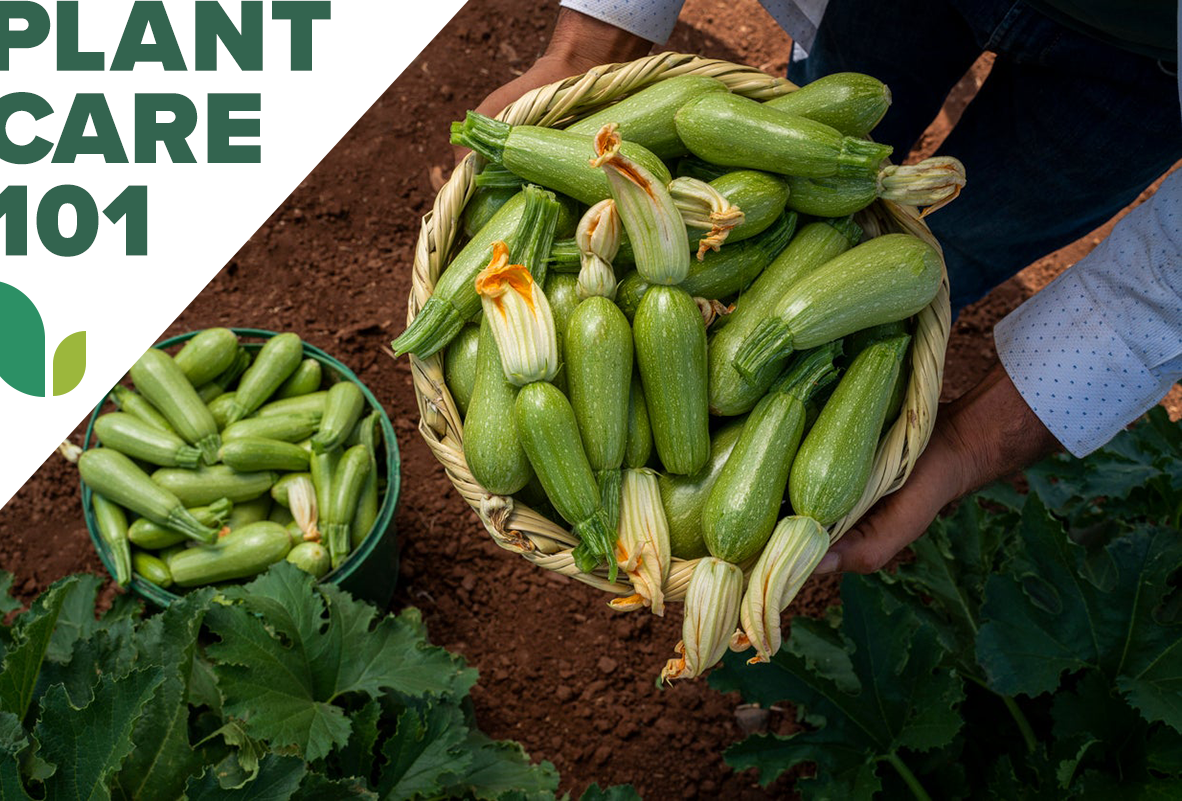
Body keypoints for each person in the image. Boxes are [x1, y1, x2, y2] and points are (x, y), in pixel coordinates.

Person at [470, 1, 1182, 575]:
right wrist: (595, 38)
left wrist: (968, 446)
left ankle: (882, 323)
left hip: (1145, 63)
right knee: (825, 120)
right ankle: (868, 292)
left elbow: (1165, 286)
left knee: (947, 250)